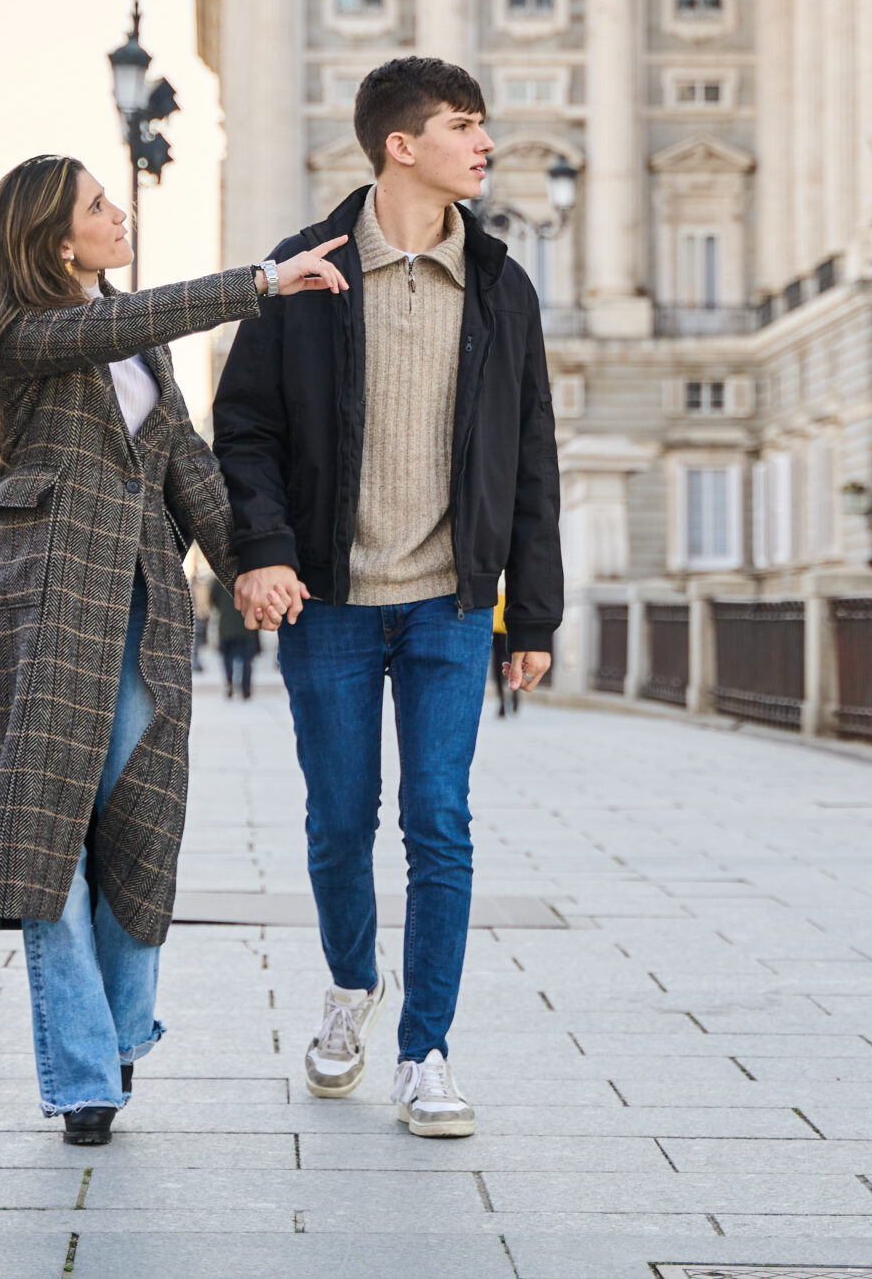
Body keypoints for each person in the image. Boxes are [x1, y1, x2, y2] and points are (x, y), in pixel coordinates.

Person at [0, 152, 347, 1149]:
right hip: (42, 603)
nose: (117, 213)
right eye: (97, 204)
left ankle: (118, 1034)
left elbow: (187, 469)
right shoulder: (13, 328)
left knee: (138, 829)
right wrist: (255, 283)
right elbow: (107, 324)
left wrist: (254, 564)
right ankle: (85, 1075)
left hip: (139, 605)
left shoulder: (135, 345)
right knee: (49, 840)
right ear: (51, 236)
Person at [214, 57, 562, 1141]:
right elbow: (244, 433)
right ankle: (350, 984)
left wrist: (533, 616)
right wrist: (261, 550)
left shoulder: (502, 286)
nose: (485, 143)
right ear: (399, 146)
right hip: (329, 603)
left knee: (439, 824)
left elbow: (533, 456)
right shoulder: (301, 273)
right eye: (465, 126)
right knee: (336, 821)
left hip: (450, 609)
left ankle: (425, 1051)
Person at [208, 576, 258, 700]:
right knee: (246, 659)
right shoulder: (250, 576)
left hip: (226, 626)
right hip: (246, 625)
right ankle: (246, 689)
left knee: (227, 658)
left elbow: (213, 599)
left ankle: (229, 683)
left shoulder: (220, 576)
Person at [490, 590, 519, 719]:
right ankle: (503, 700)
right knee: (499, 666)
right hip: (497, 627)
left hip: (508, 626)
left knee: (511, 663)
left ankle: (513, 694)